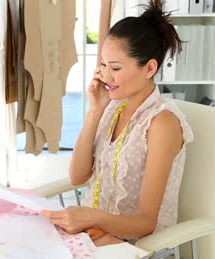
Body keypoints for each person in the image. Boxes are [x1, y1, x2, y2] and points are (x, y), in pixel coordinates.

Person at [40, 0, 194, 245]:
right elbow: (78, 176)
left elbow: (145, 223)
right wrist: (95, 111)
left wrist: (93, 217)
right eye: (103, 64)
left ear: (149, 68)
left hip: (135, 244)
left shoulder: (162, 123)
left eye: (116, 67)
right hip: (93, 233)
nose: (105, 75)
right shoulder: (113, 106)